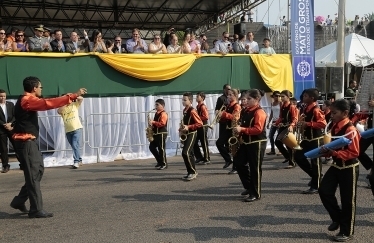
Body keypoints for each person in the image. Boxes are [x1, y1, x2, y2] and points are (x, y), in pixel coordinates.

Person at [10, 76, 86, 218]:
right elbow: (47, 103)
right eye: (40, 87)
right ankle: (36, 210)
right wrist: (72, 96)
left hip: (29, 142)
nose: (41, 89)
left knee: (38, 171)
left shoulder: (25, 100)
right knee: (33, 174)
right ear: (34, 88)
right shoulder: (27, 99)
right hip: (25, 142)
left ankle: (19, 201)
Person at [318, 99, 360, 242]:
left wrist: (334, 153)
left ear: (345, 113)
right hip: (336, 165)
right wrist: (326, 151)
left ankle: (346, 231)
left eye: (334, 113)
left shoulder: (350, 129)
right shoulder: (335, 126)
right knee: (324, 190)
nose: (331, 115)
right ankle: (337, 218)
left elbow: (354, 152)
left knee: (348, 200)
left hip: (349, 167)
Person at [234, 89, 267, 202]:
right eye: (246, 98)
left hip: (257, 143)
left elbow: (258, 129)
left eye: (249, 99)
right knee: (239, 163)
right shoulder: (245, 110)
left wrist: (242, 129)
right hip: (246, 142)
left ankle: (256, 193)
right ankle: (249, 187)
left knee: (255, 168)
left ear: (256, 99)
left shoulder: (259, 112)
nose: (246, 101)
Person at [294, 88, 326, 194]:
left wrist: (308, 124)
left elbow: (323, 124)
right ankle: (315, 176)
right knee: (297, 157)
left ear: (312, 98)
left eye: (306, 96)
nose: (303, 97)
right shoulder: (305, 108)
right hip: (307, 138)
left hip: (315, 139)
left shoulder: (316, 109)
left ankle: (316, 186)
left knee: (315, 162)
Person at [216, 88, 241, 174]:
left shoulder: (237, 106)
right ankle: (228, 160)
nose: (228, 96)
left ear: (235, 95)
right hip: (227, 128)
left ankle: (236, 167)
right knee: (219, 143)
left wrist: (224, 114)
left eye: (231, 95)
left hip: (233, 128)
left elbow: (235, 117)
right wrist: (219, 115)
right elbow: (226, 117)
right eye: (228, 95)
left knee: (234, 148)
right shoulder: (228, 105)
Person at [180, 92, 203, 181]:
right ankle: (190, 172)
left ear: (190, 101)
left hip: (192, 133)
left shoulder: (192, 110)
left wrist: (188, 127)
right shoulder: (185, 110)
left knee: (185, 152)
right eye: (182, 100)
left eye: (185, 100)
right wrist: (181, 130)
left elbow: (200, 123)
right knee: (190, 154)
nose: (183, 101)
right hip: (186, 134)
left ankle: (192, 172)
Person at [57, 95, 84, 169]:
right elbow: (58, 111)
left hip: (77, 128)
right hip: (68, 130)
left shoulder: (75, 105)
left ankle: (76, 161)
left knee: (75, 145)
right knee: (74, 146)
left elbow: (81, 98)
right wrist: (65, 102)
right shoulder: (63, 108)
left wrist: (73, 96)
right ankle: (80, 159)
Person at [274, 90, 298, 167]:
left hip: (289, 127)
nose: (281, 98)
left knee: (289, 145)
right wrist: (276, 123)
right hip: (283, 126)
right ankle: (288, 157)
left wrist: (291, 126)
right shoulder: (282, 105)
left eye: (283, 96)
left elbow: (295, 119)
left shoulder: (291, 106)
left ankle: (292, 162)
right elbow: (281, 117)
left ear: (288, 97)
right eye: (281, 96)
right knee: (277, 142)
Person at [148, 99, 168, 170]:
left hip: (162, 133)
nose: (155, 106)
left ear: (162, 106)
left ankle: (164, 163)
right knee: (151, 147)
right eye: (155, 105)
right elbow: (156, 123)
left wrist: (153, 122)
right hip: (156, 133)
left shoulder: (163, 113)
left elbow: (162, 123)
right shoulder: (156, 113)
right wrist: (151, 126)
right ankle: (159, 161)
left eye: (157, 105)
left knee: (161, 148)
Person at [0, 89, 15, 173]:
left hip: (11, 128)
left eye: (4, 96)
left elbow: (14, 116)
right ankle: (5, 166)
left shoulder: (10, 104)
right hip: (1, 130)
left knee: (17, 146)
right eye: (1, 96)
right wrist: (4, 125)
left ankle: (23, 164)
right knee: (3, 148)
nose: (2, 98)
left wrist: (11, 124)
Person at [193, 92, 210, 165]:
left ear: (202, 98)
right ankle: (199, 157)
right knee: (194, 142)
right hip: (199, 126)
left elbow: (206, 117)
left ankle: (207, 158)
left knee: (204, 142)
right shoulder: (198, 106)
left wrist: (197, 118)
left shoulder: (203, 106)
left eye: (198, 96)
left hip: (203, 126)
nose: (196, 98)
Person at [266, 91, 281, 155]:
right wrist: (269, 122)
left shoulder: (281, 103)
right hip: (274, 121)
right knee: (271, 135)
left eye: (278, 96)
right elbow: (271, 113)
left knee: (279, 136)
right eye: (276, 96)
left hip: (279, 121)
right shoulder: (272, 103)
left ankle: (280, 150)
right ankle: (273, 150)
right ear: (273, 96)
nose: (277, 97)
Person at [322, 100, 332, 164]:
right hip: (324, 130)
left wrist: (330, 130)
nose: (322, 106)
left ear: (328, 107)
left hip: (329, 130)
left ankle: (329, 157)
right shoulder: (323, 113)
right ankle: (326, 157)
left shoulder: (331, 114)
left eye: (324, 105)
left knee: (328, 144)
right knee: (324, 144)